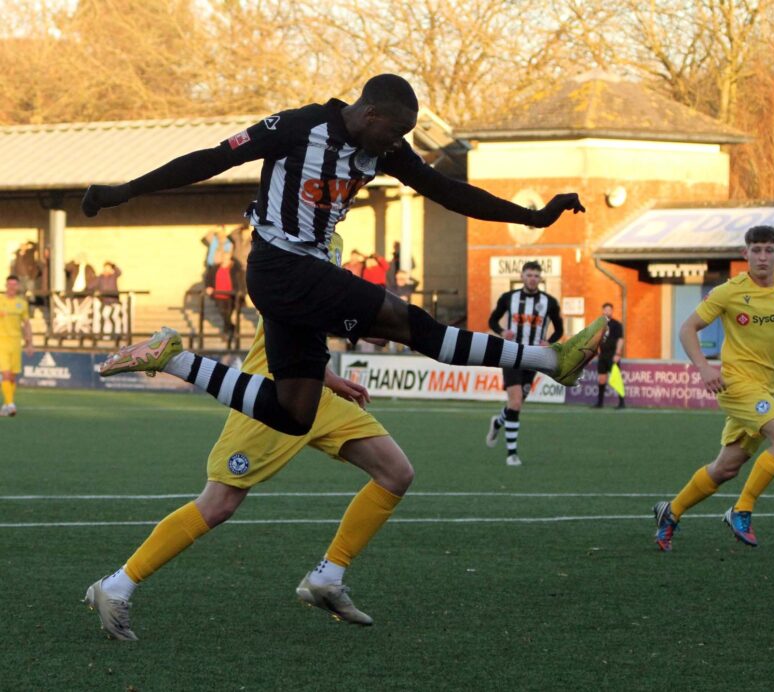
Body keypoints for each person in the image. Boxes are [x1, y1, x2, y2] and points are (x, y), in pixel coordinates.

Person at [82, 73, 604, 437]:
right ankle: (548, 359)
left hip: (301, 277)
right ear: (370, 113)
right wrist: (124, 191)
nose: (400, 143)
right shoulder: (295, 127)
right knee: (408, 321)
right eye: (396, 131)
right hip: (281, 265)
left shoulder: (386, 150)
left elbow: (448, 191)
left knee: (293, 413)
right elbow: (212, 159)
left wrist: (533, 218)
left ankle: (175, 359)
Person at [85, 233, 412, 638]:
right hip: (274, 393)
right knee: (219, 503)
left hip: (312, 390)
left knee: (396, 472)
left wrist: (329, 375)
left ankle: (328, 577)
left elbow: (304, 327)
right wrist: (367, 320)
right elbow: (293, 313)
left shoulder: (332, 239)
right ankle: (116, 586)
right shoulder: (293, 236)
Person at [653, 226, 774, 551]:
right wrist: (704, 367)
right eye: (756, 249)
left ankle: (671, 512)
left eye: (768, 250)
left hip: (765, 389)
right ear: (744, 254)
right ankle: (741, 509)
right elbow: (687, 328)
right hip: (736, 385)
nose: (762, 256)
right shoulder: (729, 291)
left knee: (726, 468)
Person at [485, 261, 563, 466]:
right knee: (516, 401)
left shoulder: (550, 302)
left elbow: (559, 329)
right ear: (522, 276)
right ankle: (512, 454)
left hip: (534, 357)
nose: (532, 279)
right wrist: (502, 332)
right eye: (529, 275)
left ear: (540, 279)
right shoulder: (509, 298)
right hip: (511, 354)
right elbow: (492, 320)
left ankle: (498, 422)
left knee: (515, 405)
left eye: (536, 276)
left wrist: (550, 341)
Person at [0, 275, 34, 417]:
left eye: (14, 285)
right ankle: (11, 404)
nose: (12, 287)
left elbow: (26, 324)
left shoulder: (22, 304)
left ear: (18, 286)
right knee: (6, 373)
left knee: (12, 376)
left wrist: (29, 343)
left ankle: (6, 405)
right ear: (6, 286)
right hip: (2, 342)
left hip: (16, 343)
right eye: (9, 284)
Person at [592, 302, 625, 409]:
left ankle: (621, 403)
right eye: (605, 310)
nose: (607, 312)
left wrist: (618, 353)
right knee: (601, 378)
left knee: (616, 378)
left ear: (612, 311)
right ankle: (600, 403)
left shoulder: (616, 324)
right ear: (603, 311)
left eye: (609, 310)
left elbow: (620, 340)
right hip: (602, 356)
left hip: (613, 355)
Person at [206, 255, 242, 342]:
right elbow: (209, 279)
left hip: (231, 296)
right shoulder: (215, 269)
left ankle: (226, 333)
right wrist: (208, 287)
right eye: (224, 258)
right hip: (219, 296)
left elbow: (239, 280)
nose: (225, 260)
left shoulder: (234, 269)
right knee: (223, 314)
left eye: (227, 259)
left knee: (228, 314)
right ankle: (232, 328)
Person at [93, 261, 123, 336]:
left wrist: (114, 265)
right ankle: (102, 334)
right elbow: (92, 285)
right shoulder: (100, 277)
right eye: (105, 268)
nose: (107, 270)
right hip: (104, 301)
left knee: (113, 317)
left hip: (114, 301)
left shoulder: (114, 276)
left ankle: (115, 334)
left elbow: (119, 272)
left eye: (108, 268)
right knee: (102, 317)